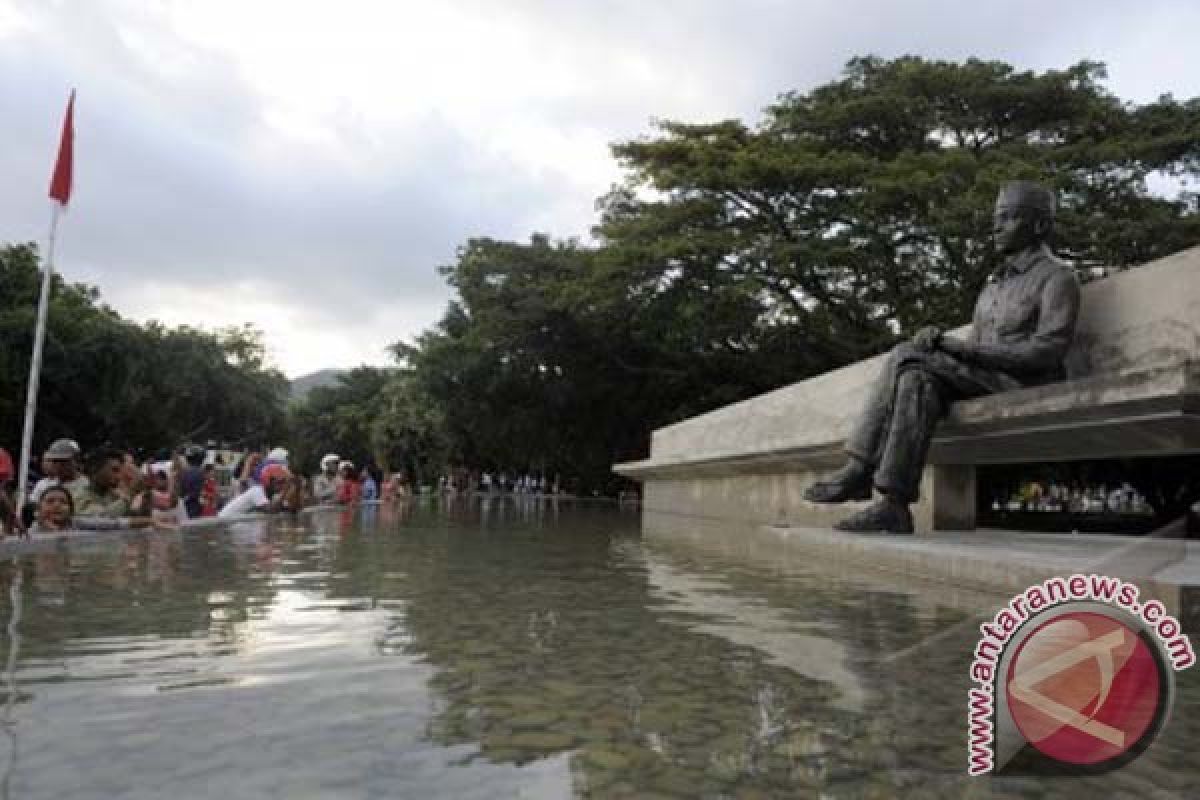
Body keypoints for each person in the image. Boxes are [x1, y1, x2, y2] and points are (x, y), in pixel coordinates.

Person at [804, 181, 1081, 533]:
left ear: (1040, 225)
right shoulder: (994, 285)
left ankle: (859, 470)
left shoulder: (1058, 277)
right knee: (916, 377)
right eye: (997, 217)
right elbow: (976, 350)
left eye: (1008, 218)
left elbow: (1047, 350)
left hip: (1024, 383)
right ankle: (894, 505)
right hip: (986, 380)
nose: (996, 226)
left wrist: (960, 348)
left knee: (907, 355)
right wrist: (942, 344)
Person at [73, 447, 156, 529]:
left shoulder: (114, 495)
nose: (119, 477)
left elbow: (137, 521)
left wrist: (147, 496)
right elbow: (102, 520)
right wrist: (130, 493)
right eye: (114, 470)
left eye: (120, 471)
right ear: (94, 469)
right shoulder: (78, 496)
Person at [29, 438, 88, 505]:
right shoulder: (45, 485)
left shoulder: (87, 487)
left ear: (77, 460)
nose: (58, 465)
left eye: (63, 461)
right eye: (55, 461)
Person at [178, 445, 207, 518]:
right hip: (194, 506)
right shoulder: (199, 473)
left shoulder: (185, 472)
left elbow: (181, 491)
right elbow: (198, 492)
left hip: (185, 504)